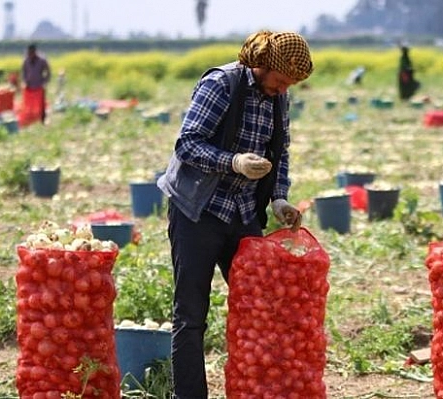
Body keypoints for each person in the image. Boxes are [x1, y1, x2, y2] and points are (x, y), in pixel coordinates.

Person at [156, 30, 312, 398]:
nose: (284, 87)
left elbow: (281, 151)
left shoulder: (279, 97)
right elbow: (187, 143)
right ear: (263, 65)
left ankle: (257, 389)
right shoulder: (221, 84)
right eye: (281, 79)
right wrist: (234, 162)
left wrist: (278, 199)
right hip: (198, 210)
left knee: (262, 307)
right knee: (191, 316)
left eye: (291, 83)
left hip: (243, 212)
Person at [22, 43, 51, 124]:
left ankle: (42, 119)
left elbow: (48, 72)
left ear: (35, 51)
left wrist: (45, 82)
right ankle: (31, 118)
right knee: (29, 103)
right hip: (29, 85)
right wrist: (25, 81)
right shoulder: (26, 60)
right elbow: (24, 72)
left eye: (31, 52)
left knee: (41, 103)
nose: (30, 54)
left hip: (39, 85)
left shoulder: (42, 60)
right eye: (29, 52)